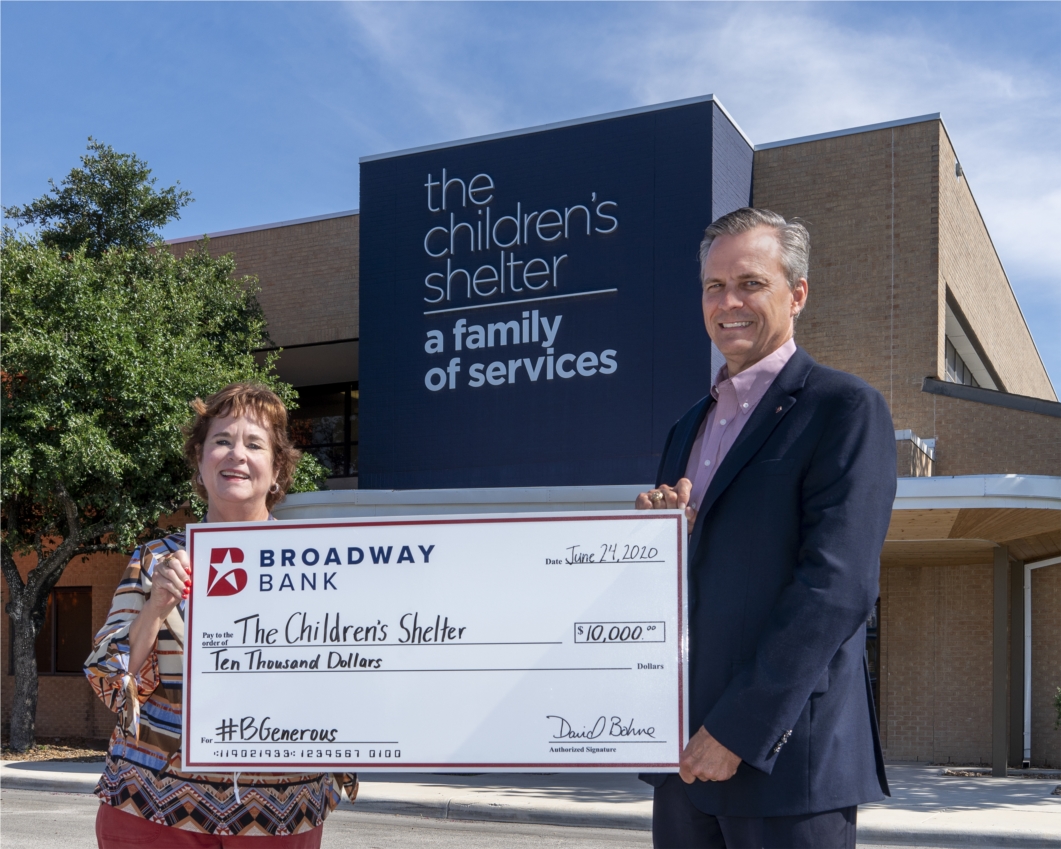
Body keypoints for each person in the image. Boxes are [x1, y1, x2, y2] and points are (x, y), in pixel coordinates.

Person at [636, 208, 895, 849]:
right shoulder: (684, 427)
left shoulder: (844, 409)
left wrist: (740, 728)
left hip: (783, 764)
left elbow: (837, 588)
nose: (729, 303)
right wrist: (658, 542)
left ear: (796, 293)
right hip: (683, 761)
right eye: (713, 287)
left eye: (750, 283)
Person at [85, 383, 357, 848]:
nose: (237, 454)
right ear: (200, 460)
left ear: (277, 470)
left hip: (279, 811)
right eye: (222, 441)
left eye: (254, 444)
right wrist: (156, 607)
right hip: (153, 808)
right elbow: (112, 683)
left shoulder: (319, 564)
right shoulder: (154, 559)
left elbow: (354, 669)